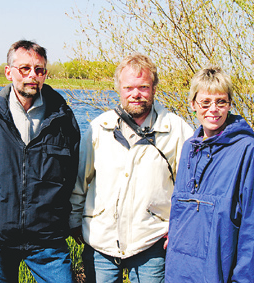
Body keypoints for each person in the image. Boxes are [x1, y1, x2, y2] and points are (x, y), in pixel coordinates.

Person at [69, 53, 193, 283]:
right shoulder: (99, 128)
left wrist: (179, 227)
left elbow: (190, 189)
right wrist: (75, 222)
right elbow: (80, 180)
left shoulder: (177, 131)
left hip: (152, 244)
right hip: (100, 242)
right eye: (129, 88)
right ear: (118, 89)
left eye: (143, 87)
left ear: (154, 88)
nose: (136, 94)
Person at [0, 40, 80, 283]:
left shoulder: (63, 118)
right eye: (24, 68)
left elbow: (72, 173)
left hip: (47, 238)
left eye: (39, 70)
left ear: (45, 74)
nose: (32, 76)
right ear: (9, 72)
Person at [165, 66, 254, 282]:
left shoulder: (248, 149)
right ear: (193, 104)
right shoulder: (188, 148)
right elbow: (180, 211)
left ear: (230, 104)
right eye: (205, 102)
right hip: (179, 270)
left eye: (221, 102)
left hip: (216, 271)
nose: (213, 109)